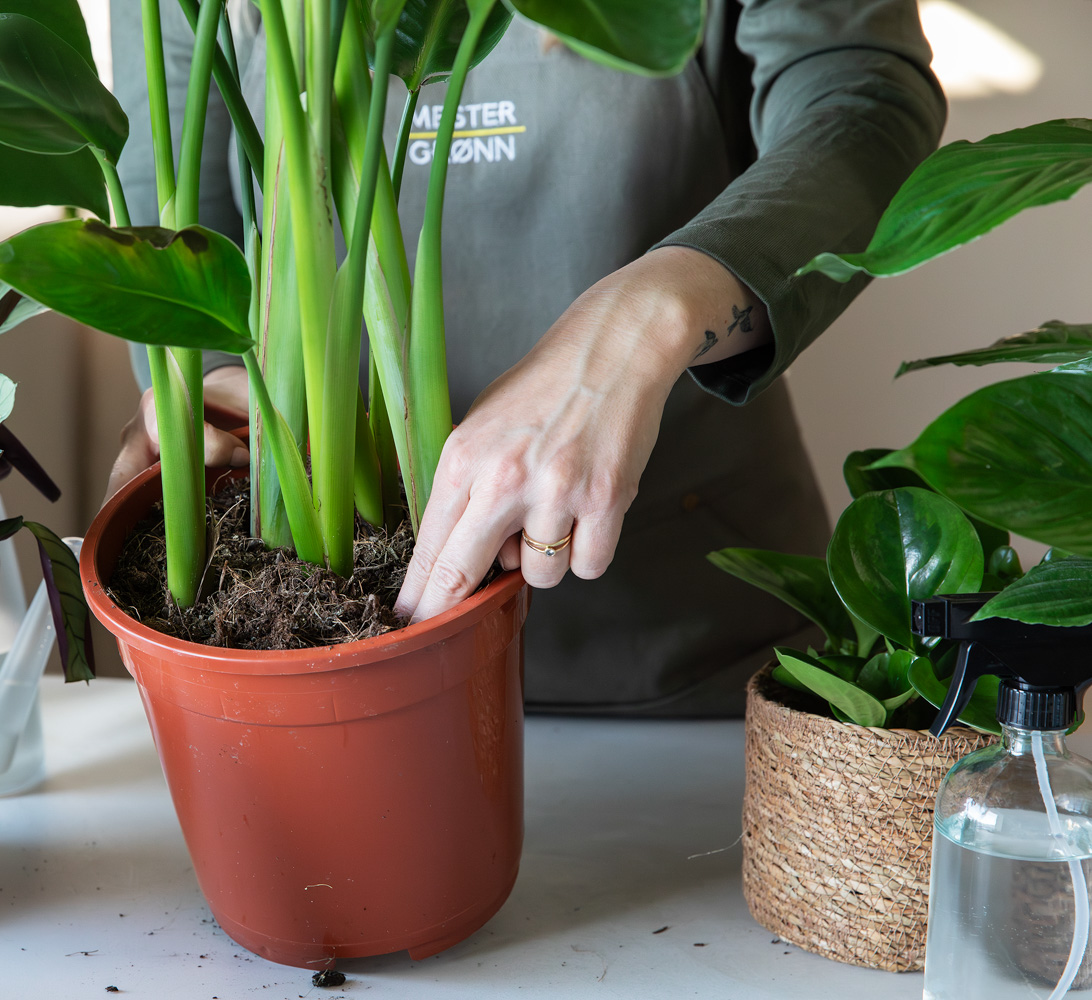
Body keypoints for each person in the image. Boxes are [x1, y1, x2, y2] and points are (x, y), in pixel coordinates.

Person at [105, 1, 945, 716]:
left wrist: (635, 326)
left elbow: (864, 98)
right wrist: (218, 389)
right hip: (307, 681)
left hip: (689, 657)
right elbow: (175, 197)